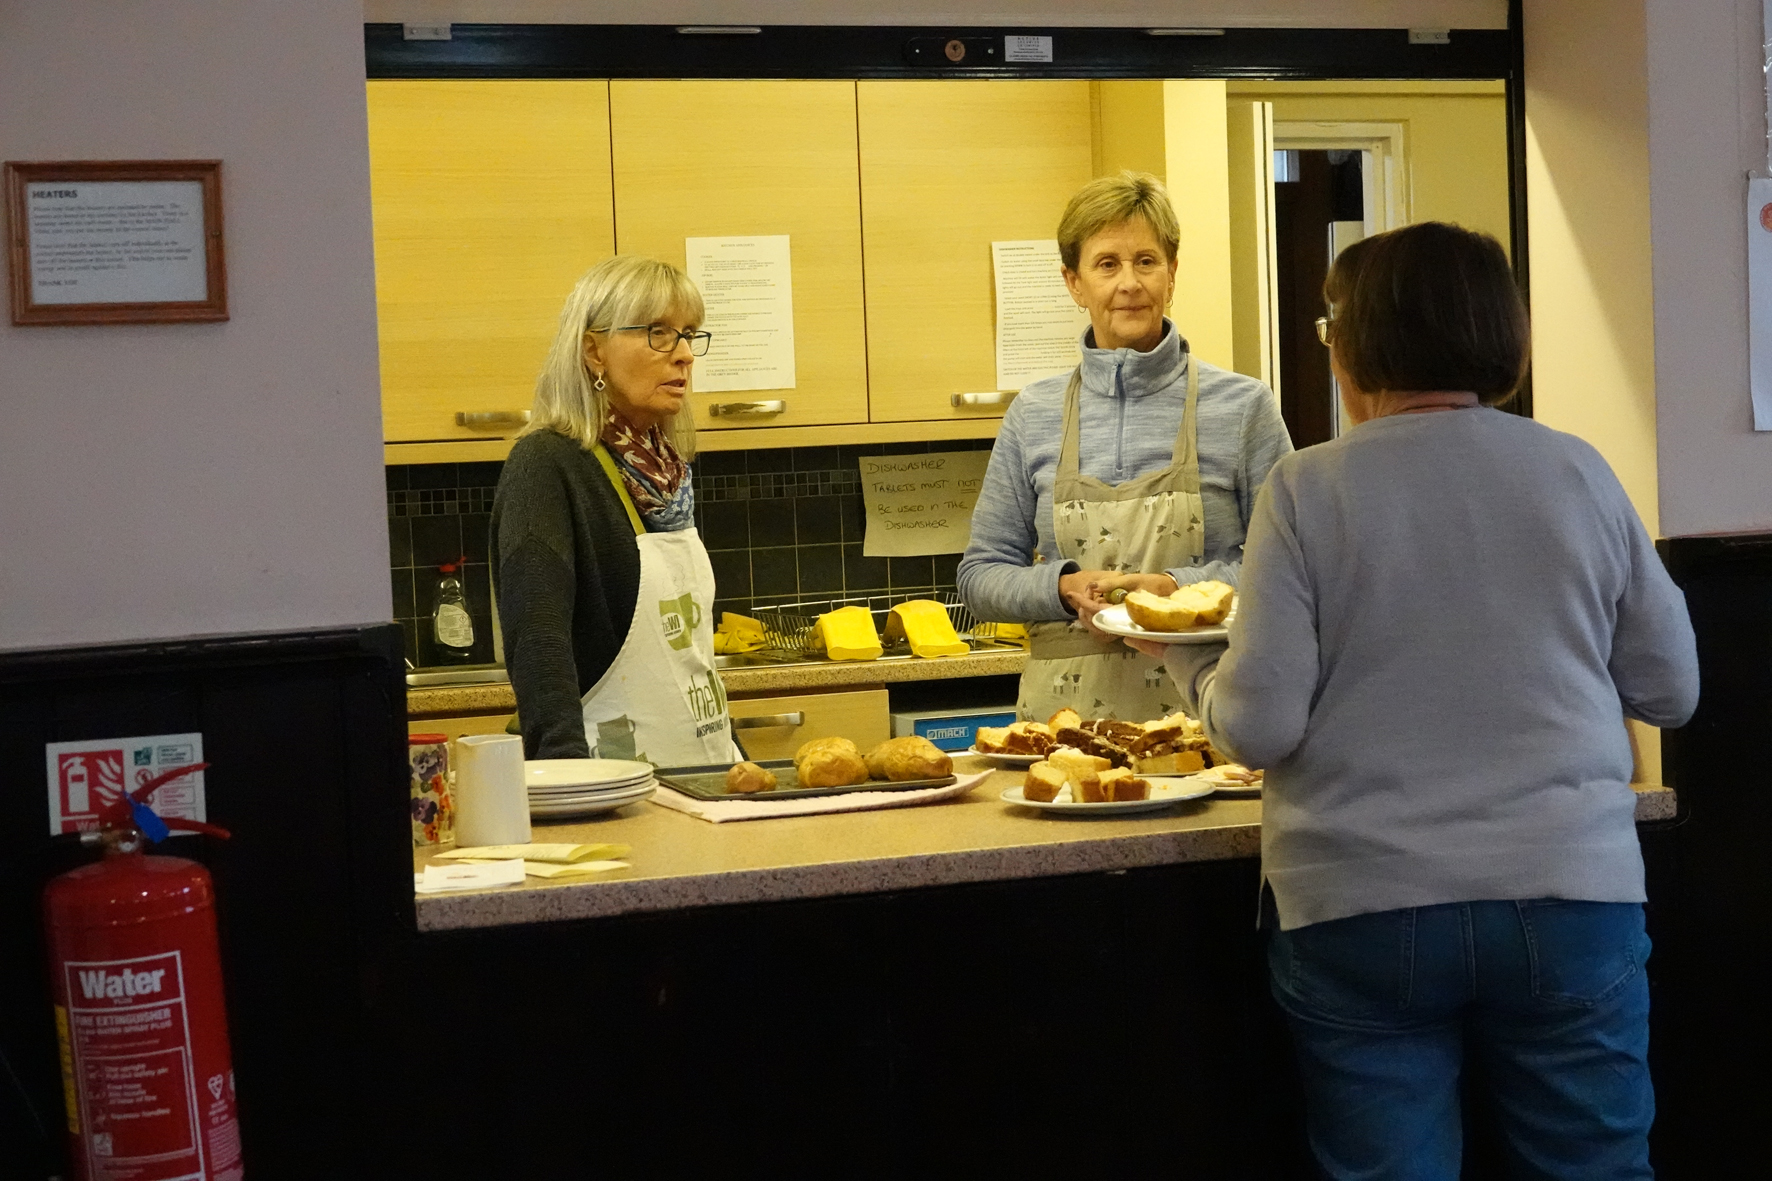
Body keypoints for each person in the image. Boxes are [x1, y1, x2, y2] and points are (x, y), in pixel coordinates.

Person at [1136, 222, 1699, 1179]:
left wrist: (1187, 664)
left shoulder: (1307, 489)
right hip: (1569, 892)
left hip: (1362, 901)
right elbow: (1671, 689)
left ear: (1354, 349)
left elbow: (1263, 725)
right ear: (1504, 340)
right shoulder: (1579, 471)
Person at [957, 171, 1291, 723]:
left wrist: (1170, 589)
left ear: (1172, 273)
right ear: (1074, 283)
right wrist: (1065, 586)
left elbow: (1283, 569)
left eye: (1146, 261)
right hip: (1062, 727)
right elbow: (980, 576)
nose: (1128, 282)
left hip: (1209, 718)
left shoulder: (1244, 407)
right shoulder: (1032, 413)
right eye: (1106, 264)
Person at [491, 255, 739, 766]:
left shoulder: (665, 476)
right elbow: (538, 645)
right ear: (593, 351)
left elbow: (693, 667)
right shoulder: (546, 465)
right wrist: (571, 784)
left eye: (689, 334)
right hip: (614, 786)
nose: (685, 354)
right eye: (658, 333)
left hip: (707, 777)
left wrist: (737, 756)